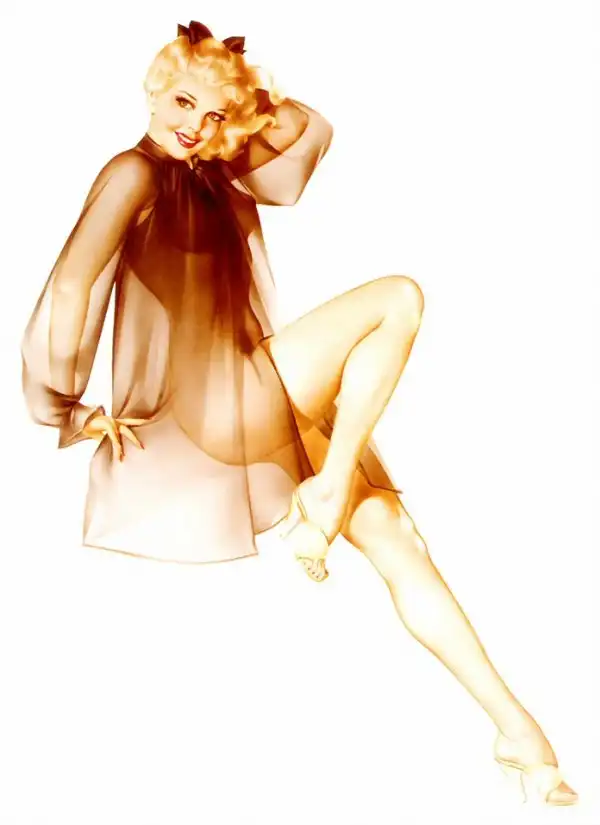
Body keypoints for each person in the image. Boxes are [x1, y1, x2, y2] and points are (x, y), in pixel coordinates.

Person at [20, 19, 577, 806]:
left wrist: (244, 100)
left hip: (255, 388)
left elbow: (306, 139)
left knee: (396, 536)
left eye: (213, 114)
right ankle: (328, 487)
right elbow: (75, 281)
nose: (196, 125)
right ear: (152, 90)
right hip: (223, 399)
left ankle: (520, 736)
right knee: (397, 299)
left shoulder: (216, 170)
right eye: (182, 102)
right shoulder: (132, 172)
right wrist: (61, 403)